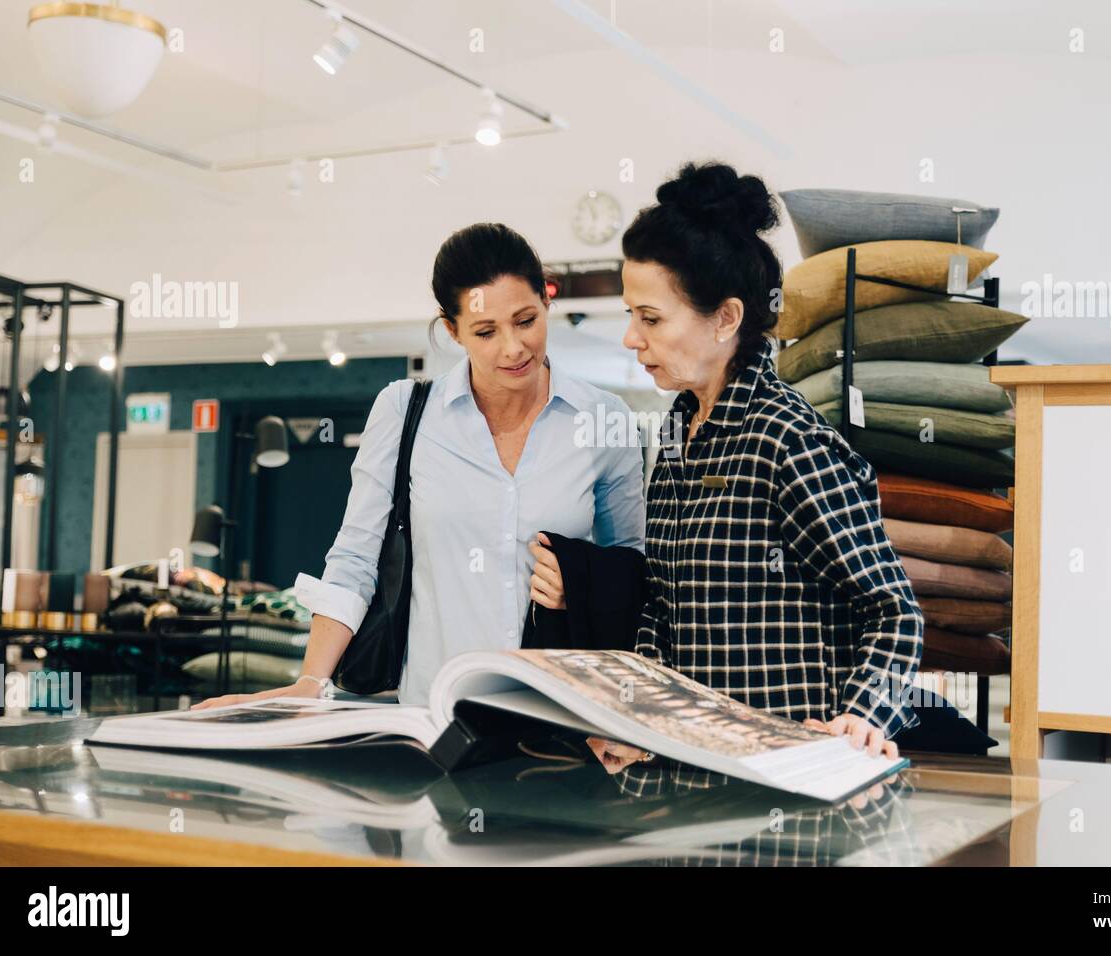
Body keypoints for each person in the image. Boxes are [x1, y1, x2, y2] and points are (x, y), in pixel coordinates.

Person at [194, 223, 645, 710]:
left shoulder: (602, 418)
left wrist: (580, 585)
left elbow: (634, 562)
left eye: (526, 320)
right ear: (452, 330)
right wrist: (311, 681)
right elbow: (356, 558)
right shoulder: (404, 412)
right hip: (437, 709)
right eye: (486, 332)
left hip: (563, 707)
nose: (513, 348)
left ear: (546, 303)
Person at [588, 162, 924, 772]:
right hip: (687, 775)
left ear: (726, 318)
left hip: (786, 781)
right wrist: (637, 717)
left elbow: (894, 612)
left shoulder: (788, 440)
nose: (631, 339)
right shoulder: (676, 434)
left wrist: (865, 716)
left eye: (652, 318)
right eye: (630, 315)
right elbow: (661, 608)